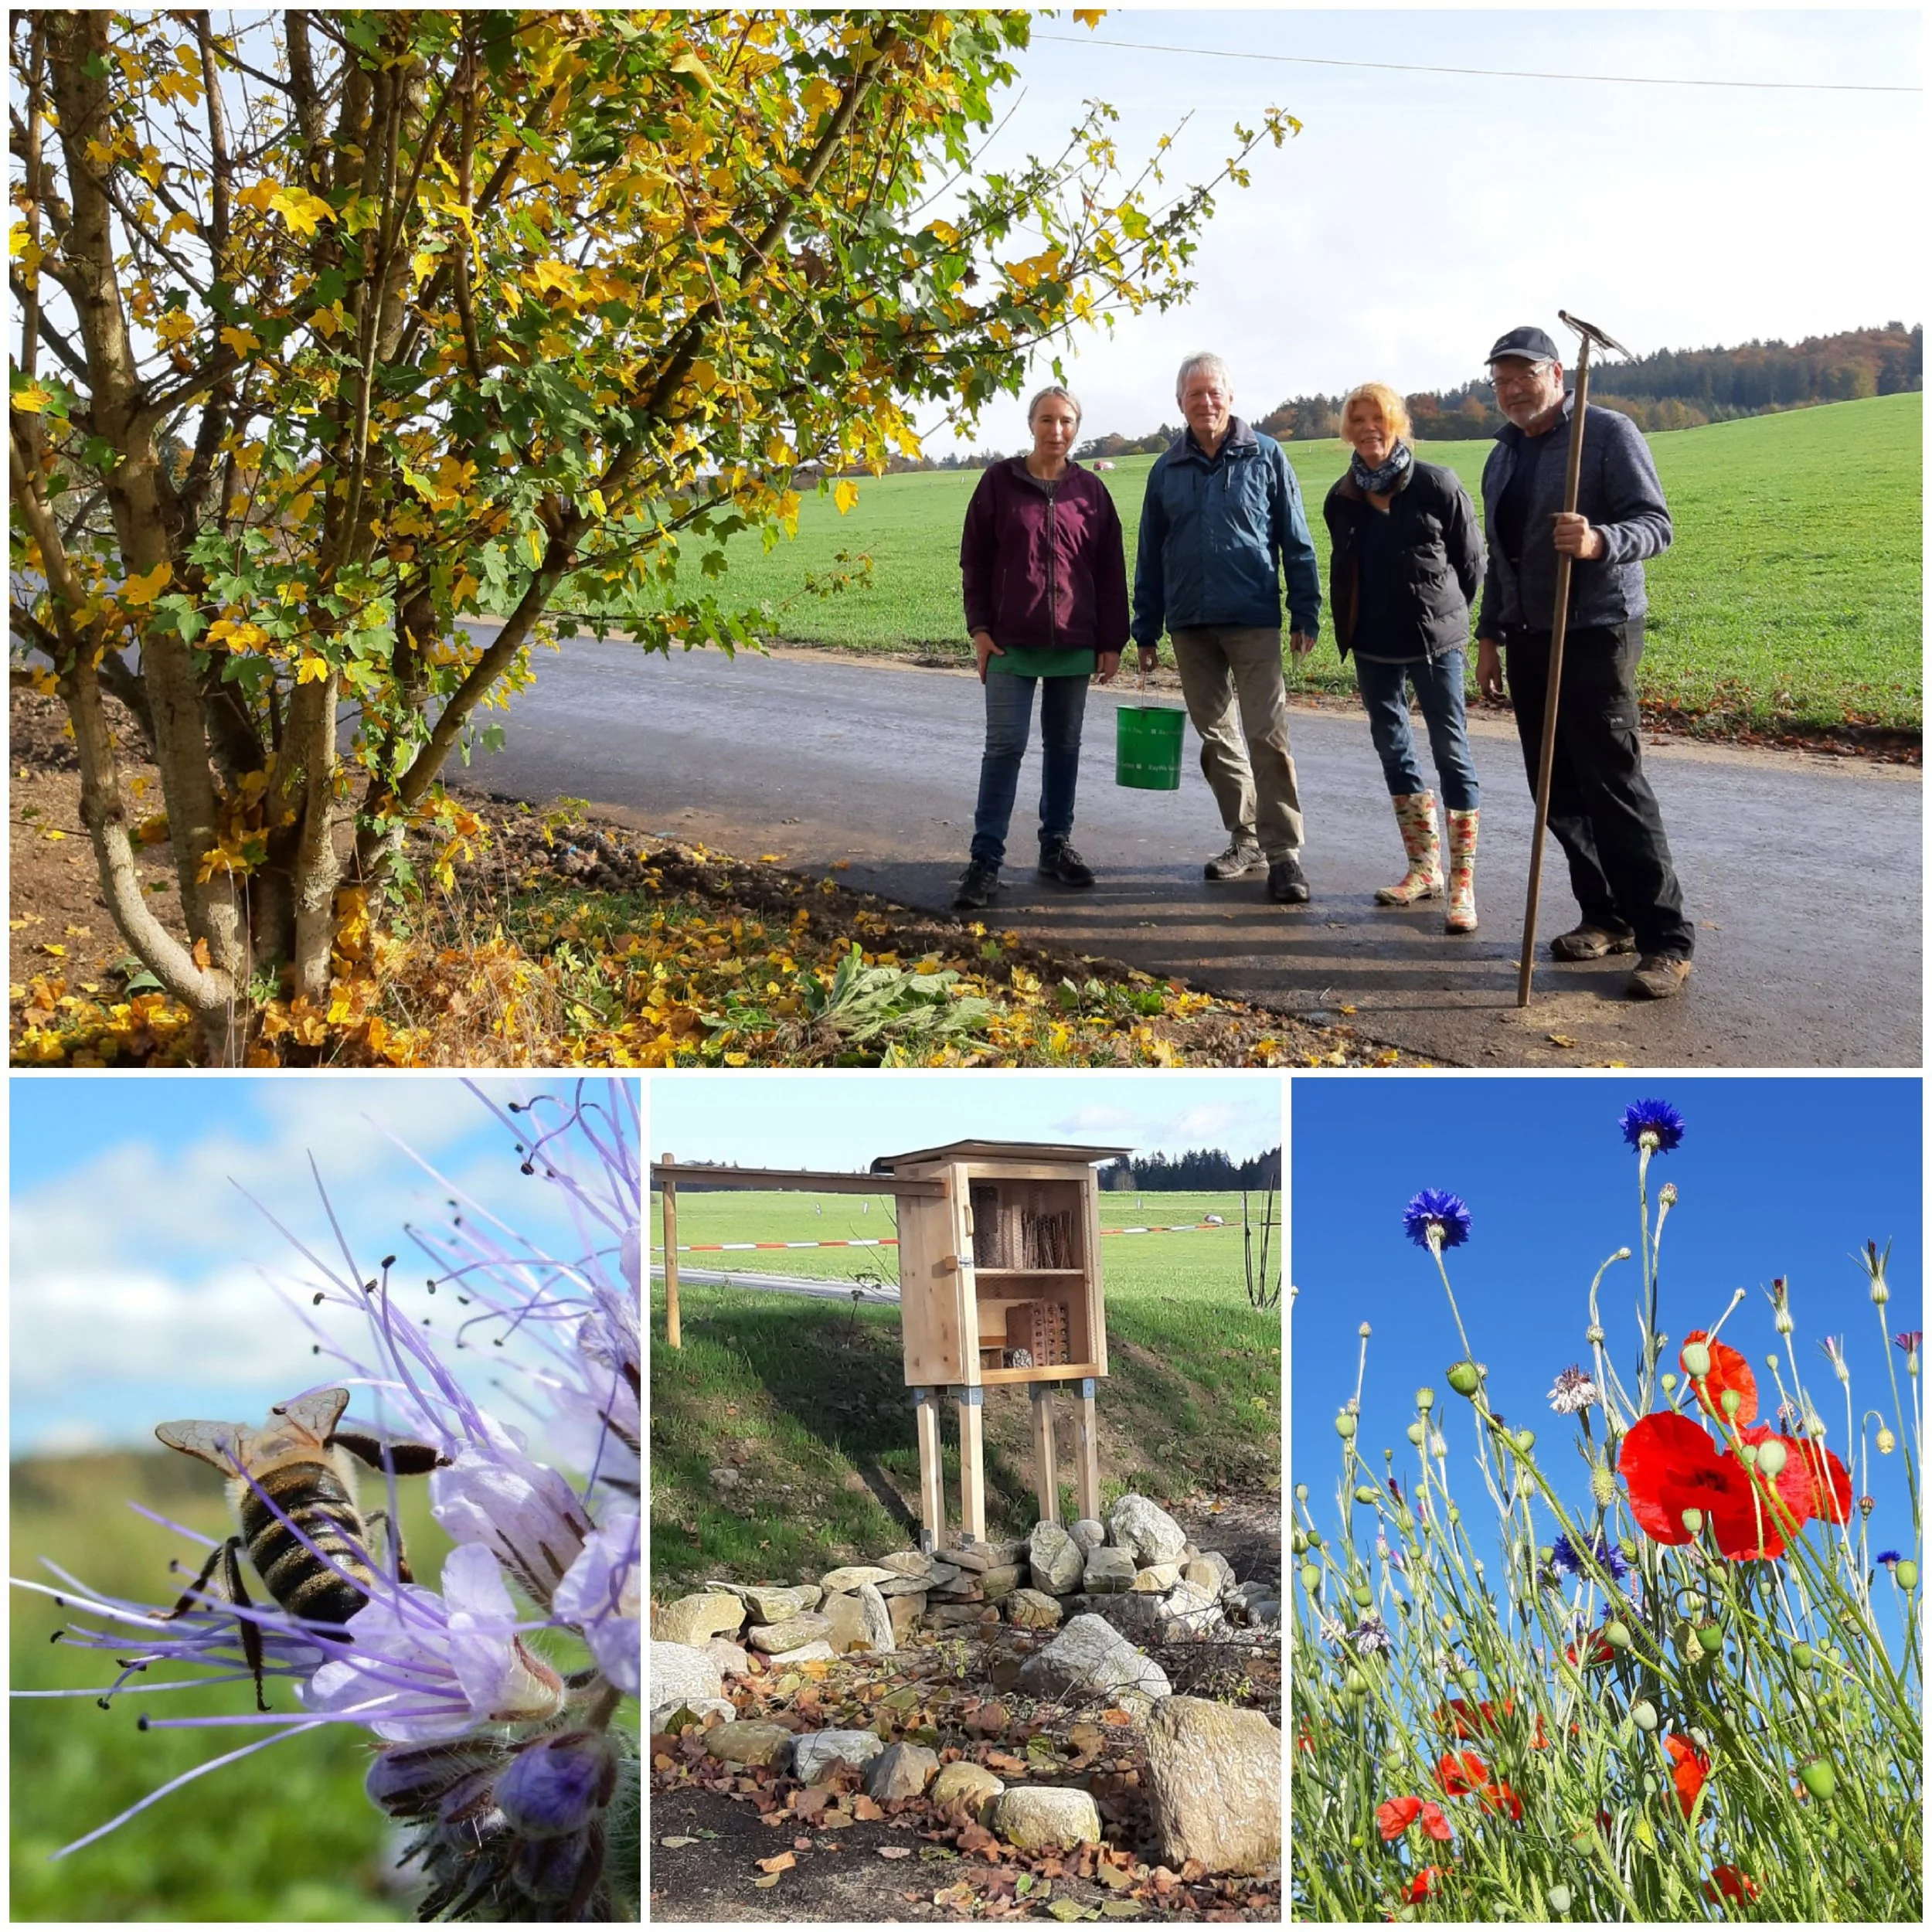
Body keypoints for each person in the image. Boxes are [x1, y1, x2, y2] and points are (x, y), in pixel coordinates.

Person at [1475, 326, 1693, 1000]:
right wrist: (1490, 634)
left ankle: (1666, 940)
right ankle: (1606, 916)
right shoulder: (1502, 455)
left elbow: (1656, 524)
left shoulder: (1607, 433)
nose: (1512, 391)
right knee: (1556, 788)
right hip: (1531, 635)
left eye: (1524, 377)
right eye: (1500, 381)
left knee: (1613, 784)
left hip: (1597, 629)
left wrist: (1600, 539)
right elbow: (1499, 558)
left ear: (1558, 374)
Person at [1131, 352, 1321, 903]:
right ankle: (1246, 840)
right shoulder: (1166, 469)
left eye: (1214, 392)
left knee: (1267, 736)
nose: (1206, 402)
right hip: (1189, 624)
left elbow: (1296, 538)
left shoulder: (1266, 455)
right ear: (1180, 404)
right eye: (1195, 395)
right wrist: (1145, 628)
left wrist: (1305, 609)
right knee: (1217, 738)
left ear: (1231, 398)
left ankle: (1285, 854)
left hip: (1253, 617)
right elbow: (1150, 554)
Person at [954, 384, 1128, 911]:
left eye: (1067, 421)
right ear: (1032, 424)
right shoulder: (999, 483)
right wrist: (980, 629)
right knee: (1004, 748)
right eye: (1048, 420)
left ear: (1077, 428)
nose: (1057, 430)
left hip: (1074, 642)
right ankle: (985, 860)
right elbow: (975, 561)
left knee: (1065, 746)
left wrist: (1111, 639)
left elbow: (1110, 570)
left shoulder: (1091, 493)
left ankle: (1055, 846)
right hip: (1010, 643)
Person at [1323, 382, 1485, 931]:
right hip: (1372, 645)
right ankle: (1424, 870)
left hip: (1435, 644)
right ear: (1348, 429)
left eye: (1379, 418)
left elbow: (1471, 564)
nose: (1369, 427)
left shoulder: (1437, 483)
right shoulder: (1341, 496)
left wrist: (1444, 618)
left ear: (1398, 425)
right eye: (1358, 419)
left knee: (1451, 750)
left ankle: (1461, 885)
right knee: (1394, 750)